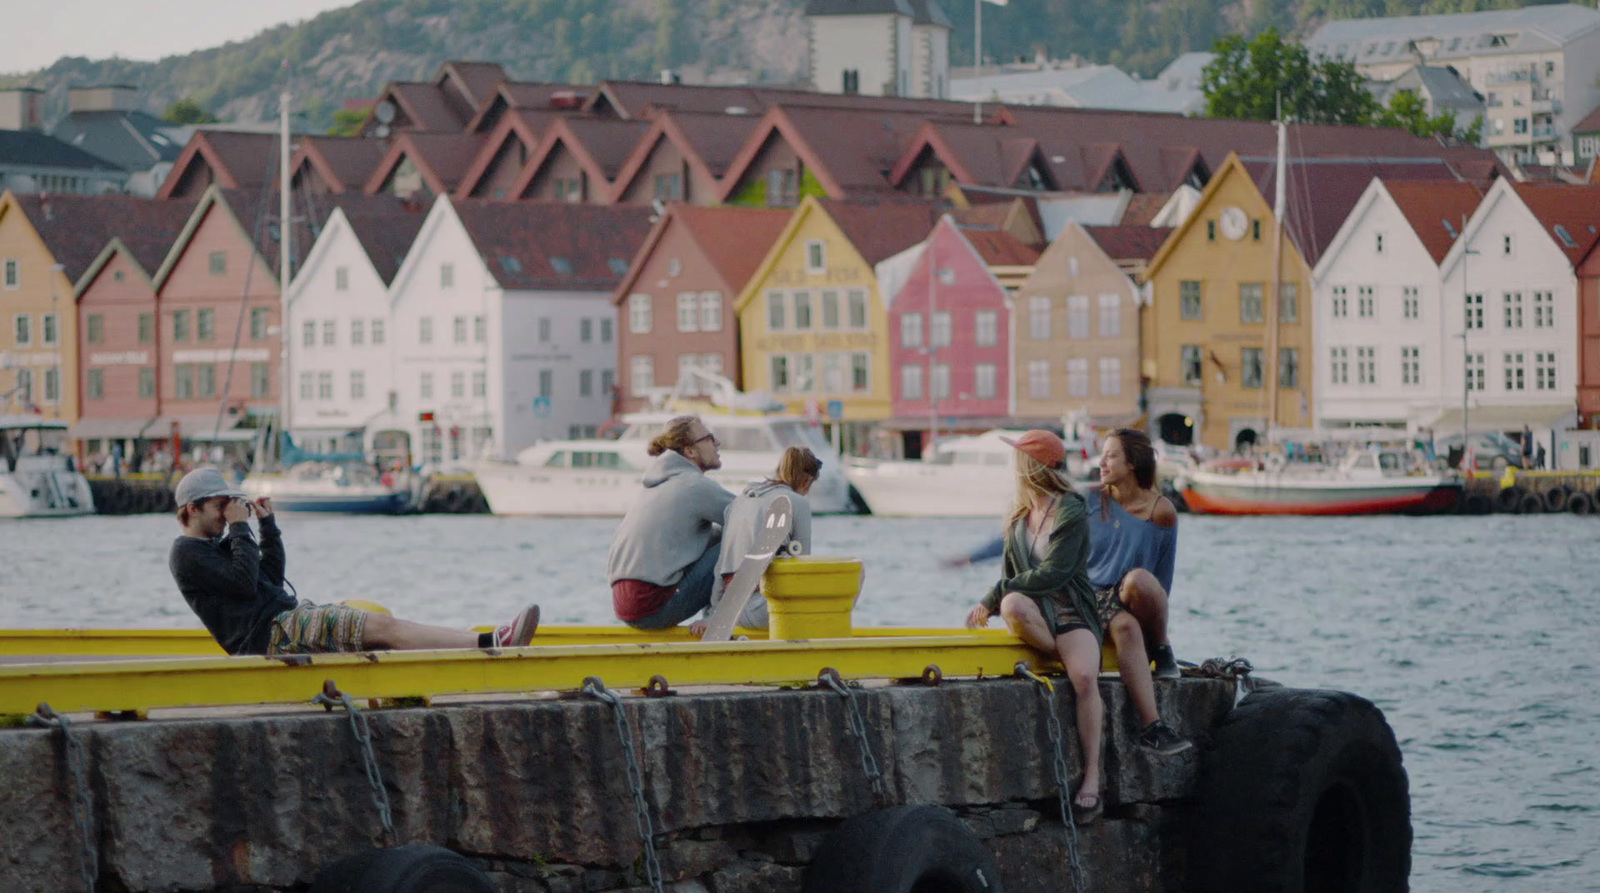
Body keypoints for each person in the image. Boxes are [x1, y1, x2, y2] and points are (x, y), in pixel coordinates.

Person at [963, 430, 1189, 824]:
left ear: (1132, 464)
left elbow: (1159, 576)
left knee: (1135, 608)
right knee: (1115, 631)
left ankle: (1154, 701)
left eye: (1110, 457)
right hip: (1089, 593)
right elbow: (1013, 555)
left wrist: (1152, 615)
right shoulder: (1082, 500)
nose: (1101, 464)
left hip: (1112, 594)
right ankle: (1150, 724)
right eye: (1101, 457)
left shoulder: (1159, 510)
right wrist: (970, 559)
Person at [169, 467, 539, 656]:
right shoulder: (186, 553)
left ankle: (479, 646)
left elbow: (269, 579)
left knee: (380, 634)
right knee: (380, 626)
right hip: (271, 636)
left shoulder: (217, 545)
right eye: (219, 505)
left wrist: (266, 526)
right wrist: (239, 528)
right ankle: (491, 641)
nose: (226, 512)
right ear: (192, 508)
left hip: (286, 622)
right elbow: (243, 582)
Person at [607, 415, 736, 630]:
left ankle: (713, 612)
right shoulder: (694, 485)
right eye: (709, 438)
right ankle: (720, 617)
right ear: (690, 451)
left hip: (627, 608)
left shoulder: (657, 486)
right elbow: (752, 518)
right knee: (745, 541)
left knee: (726, 535)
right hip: (654, 607)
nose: (717, 443)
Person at [710, 446, 821, 631]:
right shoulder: (797, 502)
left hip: (729, 611)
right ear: (807, 481)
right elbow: (802, 566)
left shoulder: (739, 502)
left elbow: (720, 565)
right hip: (764, 610)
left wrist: (713, 613)